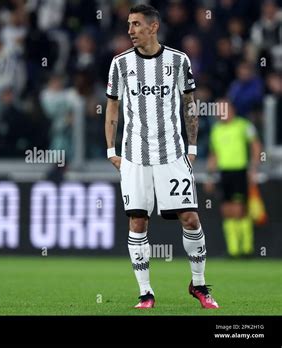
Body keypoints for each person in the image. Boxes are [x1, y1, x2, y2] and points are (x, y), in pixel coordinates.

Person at [104, 4, 219, 309]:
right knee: (138, 222)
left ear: (153, 27)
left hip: (172, 153)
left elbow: (189, 105)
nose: (130, 30)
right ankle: (145, 293)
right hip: (134, 157)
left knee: (191, 218)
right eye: (129, 24)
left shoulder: (178, 60)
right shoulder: (120, 64)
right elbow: (112, 108)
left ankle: (199, 285)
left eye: (136, 24)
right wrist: (111, 150)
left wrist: (192, 148)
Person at [205, 98, 262, 257]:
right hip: (224, 173)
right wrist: (209, 176)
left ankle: (246, 248)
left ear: (232, 109)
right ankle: (233, 250)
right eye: (217, 110)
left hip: (239, 171)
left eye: (223, 109)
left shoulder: (243, 125)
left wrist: (254, 167)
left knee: (239, 210)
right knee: (226, 210)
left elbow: (256, 145)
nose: (220, 113)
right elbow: (213, 154)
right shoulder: (216, 129)